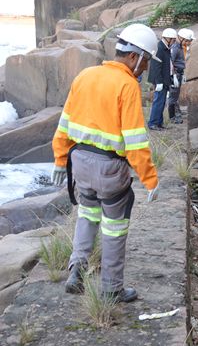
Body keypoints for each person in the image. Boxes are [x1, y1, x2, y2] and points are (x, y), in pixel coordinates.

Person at [51, 23, 161, 303]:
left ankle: (76, 269)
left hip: (80, 166)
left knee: (87, 215)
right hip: (110, 170)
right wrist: (150, 179)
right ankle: (112, 288)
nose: (146, 68)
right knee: (114, 229)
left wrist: (60, 159)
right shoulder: (127, 85)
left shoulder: (85, 76)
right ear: (134, 57)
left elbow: (64, 123)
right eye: (146, 61)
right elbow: (135, 142)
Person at [147, 28, 177, 130]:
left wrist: (172, 77)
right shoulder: (159, 48)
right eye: (173, 40)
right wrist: (159, 81)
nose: (173, 42)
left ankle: (159, 123)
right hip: (159, 80)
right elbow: (156, 66)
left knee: (162, 102)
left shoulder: (165, 47)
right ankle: (153, 123)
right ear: (168, 38)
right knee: (158, 101)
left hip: (164, 79)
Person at [168, 28, 195, 124]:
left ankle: (176, 114)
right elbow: (170, 62)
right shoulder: (175, 48)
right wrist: (173, 75)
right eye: (188, 41)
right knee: (173, 96)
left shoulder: (181, 47)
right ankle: (172, 117)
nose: (189, 43)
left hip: (179, 73)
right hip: (175, 74)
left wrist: (182, 74)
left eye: (190, 41)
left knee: (175, 96)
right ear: (181, 38)